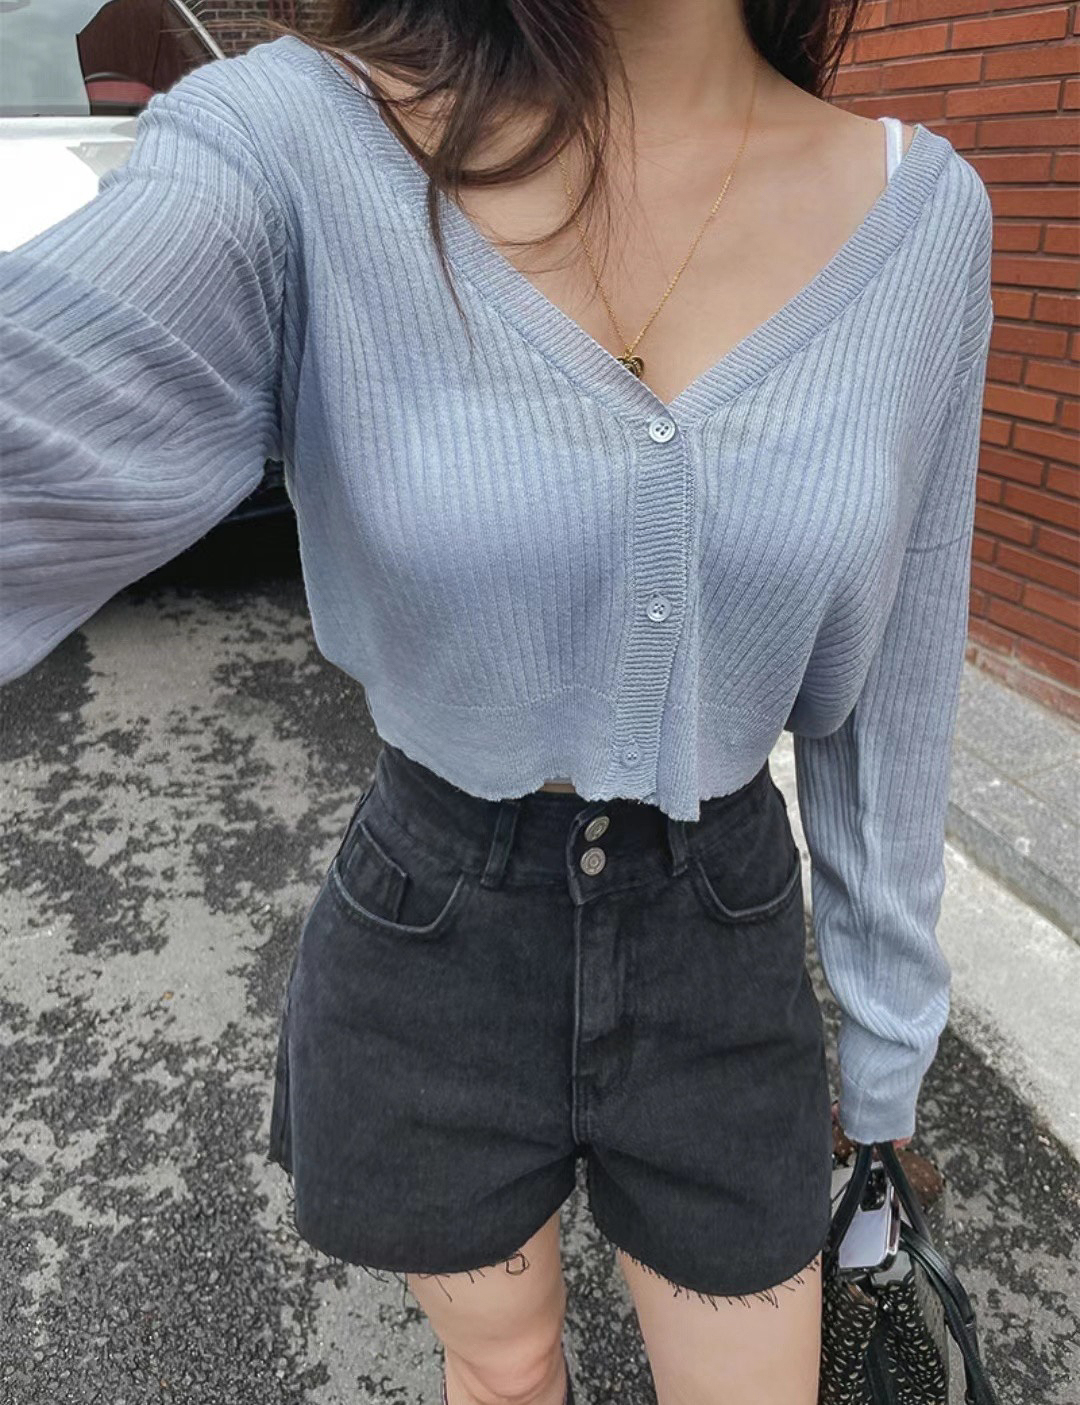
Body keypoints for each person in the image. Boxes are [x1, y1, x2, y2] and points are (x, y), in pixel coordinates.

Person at [0, 1, 993, 1401]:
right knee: (506, 1368)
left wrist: (887, 1042)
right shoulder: (294, 146)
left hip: (721, 937)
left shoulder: (923, 219)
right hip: (433, 921)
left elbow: (897, 680)